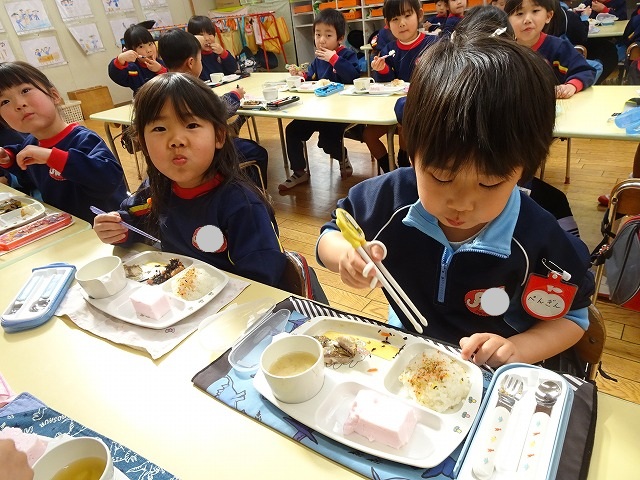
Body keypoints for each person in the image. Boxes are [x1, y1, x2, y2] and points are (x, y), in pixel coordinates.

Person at [316, 34, 594, 368]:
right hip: (409, 349)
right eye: (441, 177)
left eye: (489, 183)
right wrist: (345, 257)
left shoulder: (537, 236)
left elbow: (574, 317)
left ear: (523, 171)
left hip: (489, 367)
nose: (462, 203)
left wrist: (518, 349)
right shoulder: (390, 198)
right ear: (413, 154)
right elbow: (332, 232)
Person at [92, 73, 288, 288]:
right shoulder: (155, 189)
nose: (176, 140)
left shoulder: (242, 207)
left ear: (219, 136)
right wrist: (118, 228)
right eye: (159, 128)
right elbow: (133, 218)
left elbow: (263, 281)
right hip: (175, 294)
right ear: (142, 142)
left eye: (192, 125)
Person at [0, 62, 127, 223]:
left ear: (54, 95)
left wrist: (53, 157)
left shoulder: (83, 139)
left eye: (25, 90)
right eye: (4, 102)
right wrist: (8, 158)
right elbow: (28, 173)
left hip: (109, 229)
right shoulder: (30, 145)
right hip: (68, 227)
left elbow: (109, 179)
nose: (19, 104)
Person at [157, 28, 268, 188]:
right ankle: (253, 192)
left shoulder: (161, 88)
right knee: (258, 152)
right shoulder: (193, 88)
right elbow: (220, 110)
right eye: (200, 59)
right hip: (205, 151)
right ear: (191, 62)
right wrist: (235, 95)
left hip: (176, 151)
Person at [278, 9, 360, 191]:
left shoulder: (346, 55)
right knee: (292, 131)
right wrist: (300, 76)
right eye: (318, 34)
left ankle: (342, 156)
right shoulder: (318, 59)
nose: (321, 40)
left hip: (339, 113)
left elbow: (353, 77)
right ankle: (299, 171)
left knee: (326, 142)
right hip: (316, 110)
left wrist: (335, 59)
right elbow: (311, 77)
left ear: (340, 38)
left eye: (328, 35)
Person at [364, 0, 437, 173]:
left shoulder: (433, 44)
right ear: (387, 24)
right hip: (390, 109)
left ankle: (404, 161)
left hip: (420, 109)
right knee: (368, 135)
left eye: (407, 15)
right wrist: (382, 70)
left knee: (404, 124)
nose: (402, 23)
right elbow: (385, 83)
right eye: (395, 19)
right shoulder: (389, 50)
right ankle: (390, 171)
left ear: (419, 15)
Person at [506, 0, 596, 98]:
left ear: (548, 16)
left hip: (556, 105)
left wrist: (571, 86)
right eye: (519, 13)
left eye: (535, 11)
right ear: (507, 21)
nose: (527, 20)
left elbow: (585, 71)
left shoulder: (559, 48)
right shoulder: (504, 52)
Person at [108, 24, 166, 95]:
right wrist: (120, 59)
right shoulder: (132, 68)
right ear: (132, 51)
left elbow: (173, 82)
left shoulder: (163, 63)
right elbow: (116, 76)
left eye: (150, 44)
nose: (149, 50)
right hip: (142, 100)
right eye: (141, 47)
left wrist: (160, 70)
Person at [187, 15, 238, 81]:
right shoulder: (193, 57)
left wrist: (223, 53)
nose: (207, 38)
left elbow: (233, 68)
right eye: (201, 35)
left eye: (210, 34)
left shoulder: (218, 52)